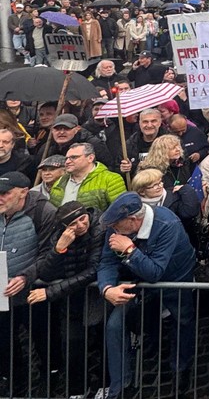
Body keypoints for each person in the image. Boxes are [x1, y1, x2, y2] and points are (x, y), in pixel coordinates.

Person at [97, 192, 196, 398]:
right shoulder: (117, 228)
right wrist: (107, 288)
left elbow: (155, 272)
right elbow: (107, 262)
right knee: (115, 325)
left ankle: (180, 371)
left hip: (175, 279)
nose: (113, 231)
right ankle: (120, 386)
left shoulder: (167, 224)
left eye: (116, 226)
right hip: (138, 282)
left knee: (182, 321)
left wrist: (130, 250)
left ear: (133, 220)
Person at [27, 200, 104, 396]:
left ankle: (105, 385)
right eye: (73, 224)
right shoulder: (59, 236)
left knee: (101, 343)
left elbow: (93, 270)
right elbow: (46, 273)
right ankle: (76, 389)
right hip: (71, 297)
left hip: (97, 294)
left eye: (82, 219)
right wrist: (59, 249)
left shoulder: (99, 229)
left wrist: (50, 292)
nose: (80, 226)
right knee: (72, 344)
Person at [0, 171, 57, 396]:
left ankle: (49, 382)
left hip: (35, 291)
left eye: (5, 193)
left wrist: (25, 276)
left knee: (44, 340)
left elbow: (48, 254)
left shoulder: (44, 211)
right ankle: (12, 382)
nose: (0, 198)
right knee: (5, 342)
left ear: (24, 192)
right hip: (3, 294)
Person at [131, 167, 201, 250]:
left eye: (160, 182)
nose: (160, 186)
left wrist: (186, 189)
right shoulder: (135, 206)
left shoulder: (174, 196)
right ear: (142, 191)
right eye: (154, 185)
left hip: (177, 246)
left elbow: (191, 212)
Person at [48, 142, 126, 211]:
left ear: (90, 158)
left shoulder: (111, 179)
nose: (67, 162)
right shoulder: (60, 182)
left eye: (74, 157)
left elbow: (120, 211)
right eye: (67, 158)